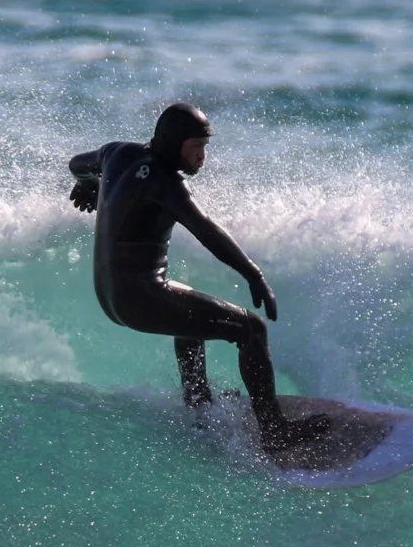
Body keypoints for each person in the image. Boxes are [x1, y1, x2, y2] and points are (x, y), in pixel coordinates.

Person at [67, 103, 330, 453]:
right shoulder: (167, 183)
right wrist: (253, 273)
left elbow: (76, 165)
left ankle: (198, 403)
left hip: (112, 296)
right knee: (251, 329)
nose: (202, 157)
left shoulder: (118, 153)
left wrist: (89, 184)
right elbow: (207, 230)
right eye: (196, 147)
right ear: (175, 143)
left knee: (188, 308)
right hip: (139, 298)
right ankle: (275, 432)